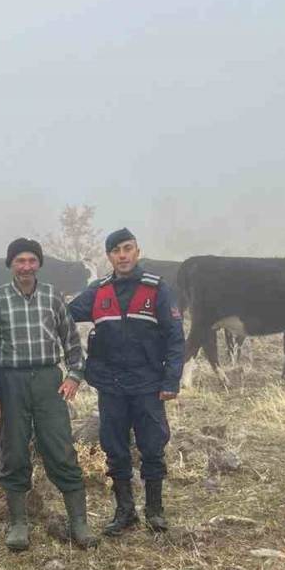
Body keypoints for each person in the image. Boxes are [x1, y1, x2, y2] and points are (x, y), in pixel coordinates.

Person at [68, 228, 184, 535]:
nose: (122, 255)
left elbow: (175, 337)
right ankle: (125, 511)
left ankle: (155, 511)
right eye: (116, 251)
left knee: (152, 446)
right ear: (109, 257)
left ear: (137, 251)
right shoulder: (98, 291)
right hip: (110, 385)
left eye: (127, 248)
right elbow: (63, 315)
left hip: (148, 383)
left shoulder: (157, 289)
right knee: (114, 447)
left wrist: (171, 380)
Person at [0, 238, 96, 551]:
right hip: (12, 382)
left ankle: (79, 522)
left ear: (39, 264)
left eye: (31, 261)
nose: (26, 267)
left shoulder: (52, 298)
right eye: (19, 261)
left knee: (60, 447)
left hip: (49, 380)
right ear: (10, 264)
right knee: (15, 450)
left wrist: (75, 375)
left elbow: (72, 341)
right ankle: (19, 522)